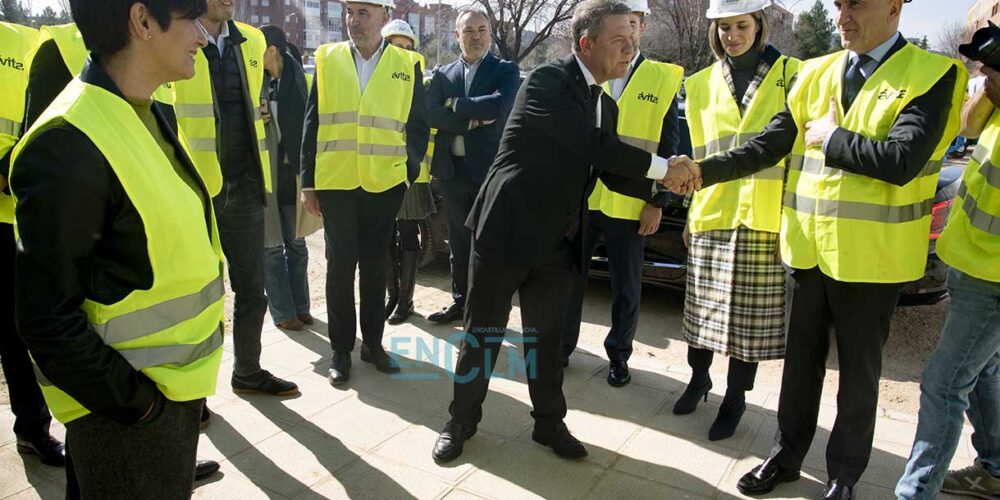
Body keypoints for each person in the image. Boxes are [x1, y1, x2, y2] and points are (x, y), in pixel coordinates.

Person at [669, 0, 967, 497]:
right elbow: (766, 146)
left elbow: (901, 160)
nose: (842, 16)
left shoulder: (933, 74)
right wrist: (701, 172)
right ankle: (785, 457)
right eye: (837, 5)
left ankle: (843, 477)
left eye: (856, 5)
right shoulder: (815, 72)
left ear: (894, 6)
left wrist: (831, 139)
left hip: (873, 260)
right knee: (799, 368)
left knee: (857, 378)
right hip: (807, 253)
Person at [431, 0, 690, 464]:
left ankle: (548, 425)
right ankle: (460, 422)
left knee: (547, 343)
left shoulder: (604, 104)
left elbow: (611, 172)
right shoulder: (548, 80)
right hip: (506, 234)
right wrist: (664, 166)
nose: (630, 48)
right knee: (483, 335)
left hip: (559, 241)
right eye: (619, 39)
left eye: (633, 38)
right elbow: (590, 145)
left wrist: (666, 186)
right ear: (586, 44)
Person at [10, 0, 225, 496]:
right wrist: (141, 407)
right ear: (143, 21)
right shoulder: (67, 142)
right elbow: (46, 321)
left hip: (168, 397)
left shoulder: (147, 111)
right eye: (191, 19)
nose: (203, 35)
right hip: (125, 417)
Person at [672, 0, 798, 442]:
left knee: (749, 323)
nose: (732, 35)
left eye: (741, 25)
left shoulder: (793, 74)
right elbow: (698, 155)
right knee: (701, 312)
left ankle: (735, 398)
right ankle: (698, 379)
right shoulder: (701, 82)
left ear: (759, 24)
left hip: (765, 215)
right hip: (713, 210)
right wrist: (690, 213)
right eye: (724, 27)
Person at [172, 0, 298, 396]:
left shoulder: (253, 39)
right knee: (192, 298)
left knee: (252, 289)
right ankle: (190, 393)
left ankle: (247, 370)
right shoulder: (174, 34)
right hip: (192, 189)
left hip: (245, 183)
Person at [300, 0, 429, 384]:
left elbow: (418, 124)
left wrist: (406, 172)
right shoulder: (326, 58)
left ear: (384, 17)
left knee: (375, 267)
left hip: (384, 183)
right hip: (336, 182)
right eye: (349, 13)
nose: (353, 21)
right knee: (340, 268)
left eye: (363, 13)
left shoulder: (408, 65)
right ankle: (340, 349)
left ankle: (373, 344)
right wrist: (308, 182)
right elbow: (313, 122)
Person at [562, 0, 682, 388]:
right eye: (621, 24)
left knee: (626, 287)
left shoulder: (662, 79)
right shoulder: (589, 65)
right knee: (571, 278)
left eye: (634, 23)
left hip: (631, 205)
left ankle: (619, 357)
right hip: (585, 199)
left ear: (643, 26)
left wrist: (657, 202)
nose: (627, 32)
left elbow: (668, 144)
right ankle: (562, 349)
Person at [894, 65, 1000, 499]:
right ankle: (994, 469)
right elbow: (967, 124)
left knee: (944, 382)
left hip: (994, 276)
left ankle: (913, 494)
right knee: (984, 369)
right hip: (970, 260)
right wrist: (992, 87)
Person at [424, 6, 520, 325]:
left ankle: (489, 309)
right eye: (469, 31)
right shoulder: (442, 74)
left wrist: (457, 106)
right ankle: (460, 303)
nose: (475, 36)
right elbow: (431, 113)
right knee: (459, 243)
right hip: (452, 172)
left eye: (481, 30)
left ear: (490, 35)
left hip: (489, 172)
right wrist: (474, 121)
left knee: (490, 243)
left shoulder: (505, 71)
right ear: (457, 36)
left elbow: (502, 106)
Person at [0, 20, 66, 469]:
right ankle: (32, 426)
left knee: (21, 326)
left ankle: (34, 427)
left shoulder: (26, 38)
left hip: (15, 209)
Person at [258, 25, 318, 332]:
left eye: (260, 49)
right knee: (271, 247)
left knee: (296, 244)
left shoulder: (300, 81)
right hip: (267, 175)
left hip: (293, 174)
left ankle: (302, 307)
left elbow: (312, 128)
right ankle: (283, 312)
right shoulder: (255, 84)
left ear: (273, 51)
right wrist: (259, 115)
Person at [381, 19, 436, 325]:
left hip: (413, 173)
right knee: (386, 236)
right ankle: (392, 296)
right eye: (394, 45)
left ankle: (406, 301)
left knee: (408, 235)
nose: (401, 51)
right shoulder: (377, 83)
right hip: (381, 170)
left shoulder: (423, 83)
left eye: (407, 47)